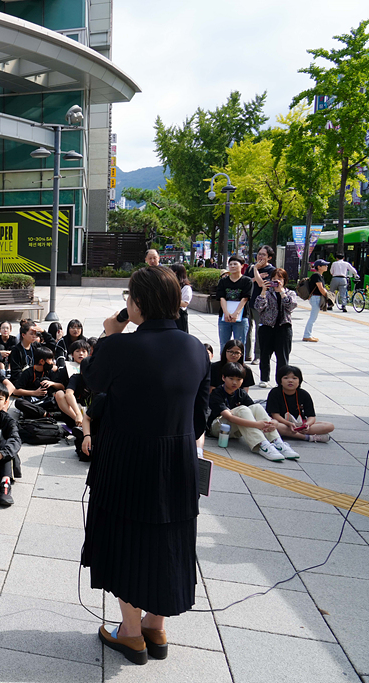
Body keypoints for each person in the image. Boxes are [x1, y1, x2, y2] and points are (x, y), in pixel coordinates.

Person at [81, 266, 210, 665]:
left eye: (129, 298)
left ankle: (131, 633)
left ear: (138, 302)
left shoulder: (119, 347)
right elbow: (200, 415)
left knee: (126, 538)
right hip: (177, 461)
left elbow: (90, 380)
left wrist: (108, 332)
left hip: (127, 461)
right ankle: (157, 627)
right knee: (168, 540)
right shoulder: (194, 347)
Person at [208, 362, 298, 461]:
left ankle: (277, 442)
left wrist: (272, 423)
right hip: (218, 428)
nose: (235, 383)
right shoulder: (216, 393)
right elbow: (229, 417)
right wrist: (256, 425)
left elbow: (254, 410)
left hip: (236, 429)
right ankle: (262, 445)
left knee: (257, 407)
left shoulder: (240, 392)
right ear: (223, 378)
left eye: (239, 379)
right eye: (231, 379)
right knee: (243, 409)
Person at [253, 268, 297, 387]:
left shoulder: (290, 293)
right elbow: (258, 307)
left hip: (284, 328)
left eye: (279, 278)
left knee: (283, 356)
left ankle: (281, 380)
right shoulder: (266, 293)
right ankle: (264, 378)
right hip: (267, 327)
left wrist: (282, 292)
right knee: (265, 355)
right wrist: (263, 291)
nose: (276, 281)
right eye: (274, 279)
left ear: (284, 280)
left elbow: (291, 306)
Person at [266, 366, 334, 443]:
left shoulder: (304, 394)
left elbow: (311, 416)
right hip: (283, 423)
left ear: (299, 381)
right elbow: (275, 415)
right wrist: (288, 424)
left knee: (329, 426)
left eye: (294, 378)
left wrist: (307, 425)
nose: (290, 381)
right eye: (286, 378)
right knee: (275, 425)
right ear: (280, 381)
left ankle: (289, 434)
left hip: (300, 425)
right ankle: (306, 437)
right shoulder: (275, 393)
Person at [245, 245, 276, 361]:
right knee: (246, 329)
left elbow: (261, 284)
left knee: (259, 331)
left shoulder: (271, 270)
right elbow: (244, 282)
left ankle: (258, 356)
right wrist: (254, 276)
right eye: (259, 254)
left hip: (261, 304)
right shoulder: (250, 268)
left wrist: (256, 271)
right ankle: (246, 354)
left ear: (269, 257)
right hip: (248, 302)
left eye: (263, 255)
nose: (260, 257)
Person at [216, 255, 253, 352]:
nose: (232, 266)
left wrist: (236, 313)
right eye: (230, 264)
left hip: (241, 317)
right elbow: (221, 297)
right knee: (224, 344)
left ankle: (239, 366)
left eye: (235, 264)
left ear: (242, 266)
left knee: (240, 344)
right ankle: (224, 365)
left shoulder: (247, 281)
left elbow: (245, 298)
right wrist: (226, 313)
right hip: (224, 317)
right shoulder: (223, 281)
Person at [303, 259, 330, 342]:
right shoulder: (316, 276)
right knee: (313, 317)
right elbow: (321, 288)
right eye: (325, 265)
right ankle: (307, 335)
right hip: (315, 298)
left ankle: (309, 334)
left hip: (316, 297)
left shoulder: (320, 276)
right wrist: (329, 296)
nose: (327, 267)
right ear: (319, 267)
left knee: (313, 317)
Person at [170, 264, 192, 334]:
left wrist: (170, 299)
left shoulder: (186, 287)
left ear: (175, 273)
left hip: (179, 316)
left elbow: (185, 303)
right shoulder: (170, 285)